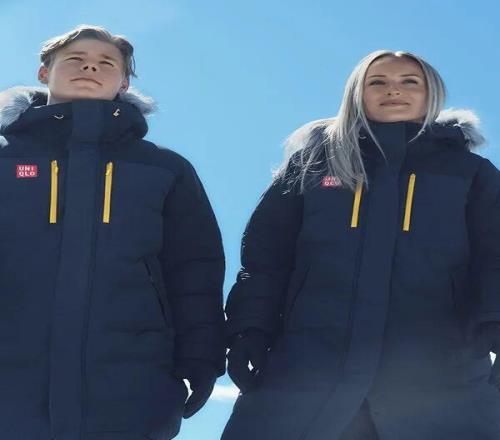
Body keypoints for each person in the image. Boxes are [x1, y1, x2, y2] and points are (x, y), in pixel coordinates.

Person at [222, 50, 500, 440]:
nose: (393, 90)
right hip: (308, 371)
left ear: (431, 94)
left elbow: (494, 258)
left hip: (440, 378)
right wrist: (250, 330)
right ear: (356, 94)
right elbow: (265, 260)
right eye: (377, 82)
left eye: (409, 82)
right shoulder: (313, 166)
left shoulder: (470, 174)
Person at [0, 25, 225, 440]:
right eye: (75, 58)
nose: (90, 66)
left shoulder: (164, 169)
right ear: (44, 72)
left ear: (123, 83)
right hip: (11, 386)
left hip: (131, 389)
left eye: (106, 62)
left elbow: (194, 271)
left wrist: (202, 357)